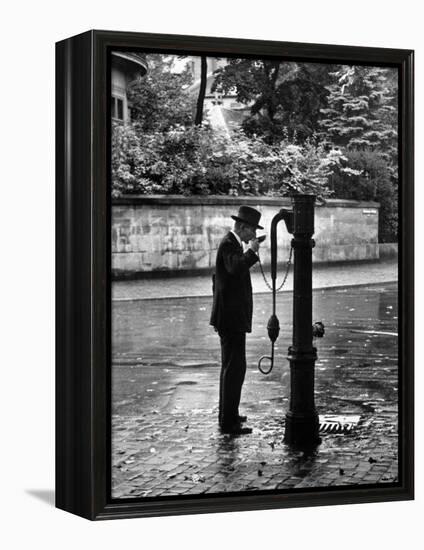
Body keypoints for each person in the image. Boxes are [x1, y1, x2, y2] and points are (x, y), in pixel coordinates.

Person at [210, 206, 264, 435]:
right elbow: (234, 269)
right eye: (251, 231)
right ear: (242, 227)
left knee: (232, 368)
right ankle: (228, 422)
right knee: (233, 369)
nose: (253, 236)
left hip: (231, 317)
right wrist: (252, 252)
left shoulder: (232, 244)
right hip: (229, 319)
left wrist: (249, 251)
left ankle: (229, 414)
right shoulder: (228, 244)